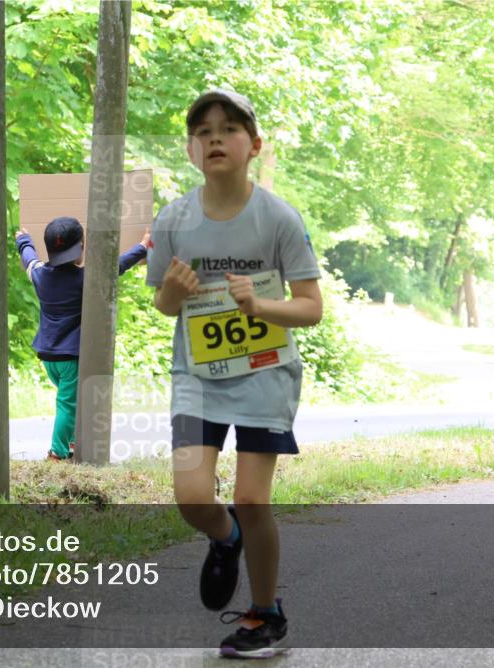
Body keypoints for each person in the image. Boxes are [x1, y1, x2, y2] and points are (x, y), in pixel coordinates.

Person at [145, 89, 322, 658]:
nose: (215, 137)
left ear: (255, 145)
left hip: (265, 374)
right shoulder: (173, 219)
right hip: (197, 377)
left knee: (252, 496)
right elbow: (165, 306)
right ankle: (225, 539)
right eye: (202, 131)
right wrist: (170, 294)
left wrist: (262, 308)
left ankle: (265, 613)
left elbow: (311, 308)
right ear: (192, 151)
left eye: (229, 128)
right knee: (193, 497)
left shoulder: (277, 218)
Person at [15, 217, 149, 461]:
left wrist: (23, 241)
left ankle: (74, 442)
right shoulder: (86, 279)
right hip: (71, 357)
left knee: (73, 399)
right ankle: (57, 452)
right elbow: (115, 266)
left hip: (48, 356)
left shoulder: (41, 276)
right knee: (68, 405)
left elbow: (29, 259)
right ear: (82, 246)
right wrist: (142, 247)